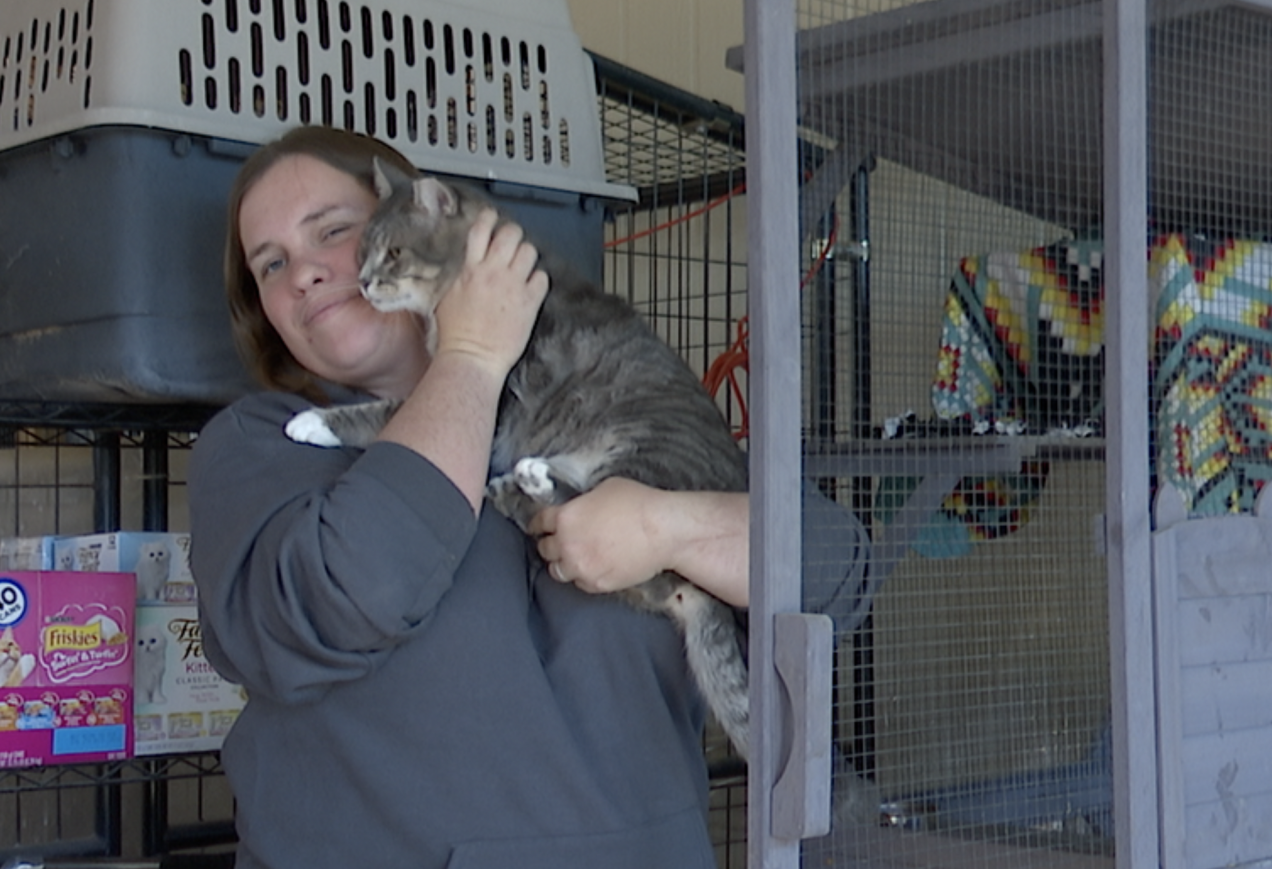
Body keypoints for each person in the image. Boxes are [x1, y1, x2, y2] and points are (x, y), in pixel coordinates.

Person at [189, 124, 868, 869]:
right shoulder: (262, 445)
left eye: (333, 231)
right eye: (271, 263)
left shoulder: (593, 380)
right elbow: (348, 594)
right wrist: (471, 357)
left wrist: (666, 526)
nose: (305, 273)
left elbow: (836, 572)